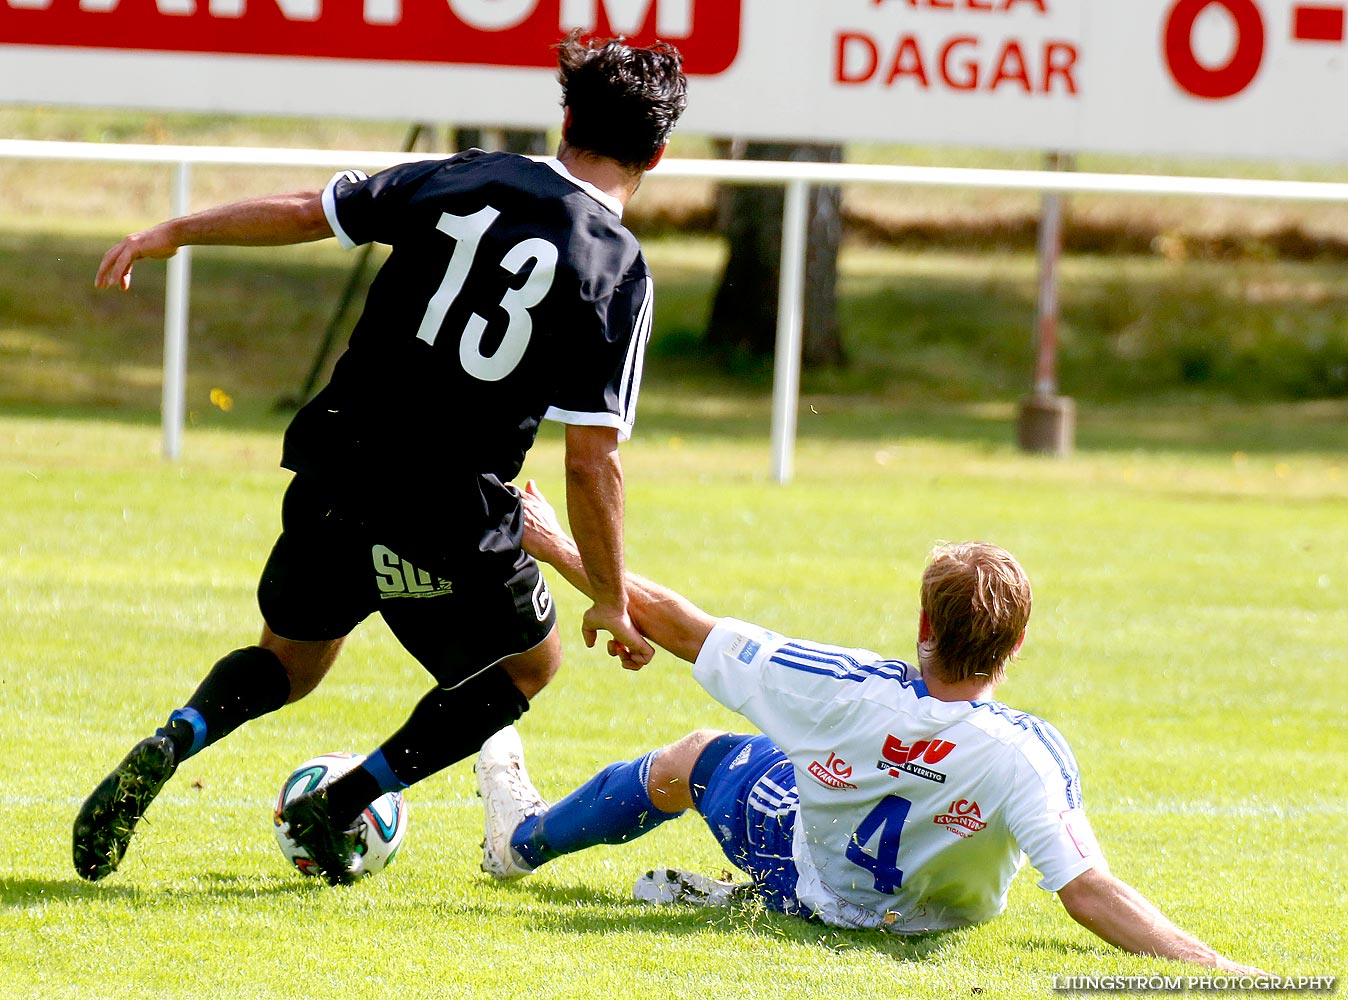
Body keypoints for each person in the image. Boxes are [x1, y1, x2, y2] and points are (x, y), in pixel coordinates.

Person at [73, 32, 688, 886]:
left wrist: (173, 229)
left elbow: (306, 209)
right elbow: (592, 464)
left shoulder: (466, 173)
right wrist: (614, 601)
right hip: (450, 509)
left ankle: (180, 733)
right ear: (658, 153)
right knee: (531, 662)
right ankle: (348, 799)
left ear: (567, 120)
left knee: (289, 664)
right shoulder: (618, 268)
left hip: (337, 461)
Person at [474, 481, 1264, 972]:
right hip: (937, 919)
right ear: (1017, 644)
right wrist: (1216, 968)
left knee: (696, 758)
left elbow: (678, 625)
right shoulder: (1027, 755)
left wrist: (552, 542)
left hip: (813, 881)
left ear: (922, 621)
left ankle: (523, 842)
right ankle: (740, 894)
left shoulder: (839, 690)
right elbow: (1088, 890)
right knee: (778, 774)